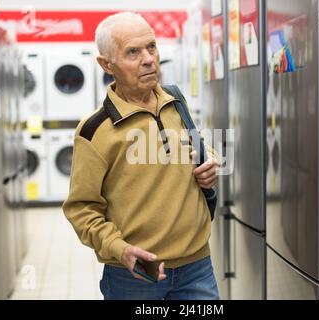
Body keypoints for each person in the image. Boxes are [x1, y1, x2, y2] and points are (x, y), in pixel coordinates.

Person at [62, 12, 220, 300]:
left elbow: (197, 146)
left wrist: (209, 160)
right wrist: (118, 249)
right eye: (132, 52)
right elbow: (81, 209)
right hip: (135, 276)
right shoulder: (95, 130)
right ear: (106, 64)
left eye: (151, 47)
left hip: (197, 267)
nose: (148, 59)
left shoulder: (175, 101)